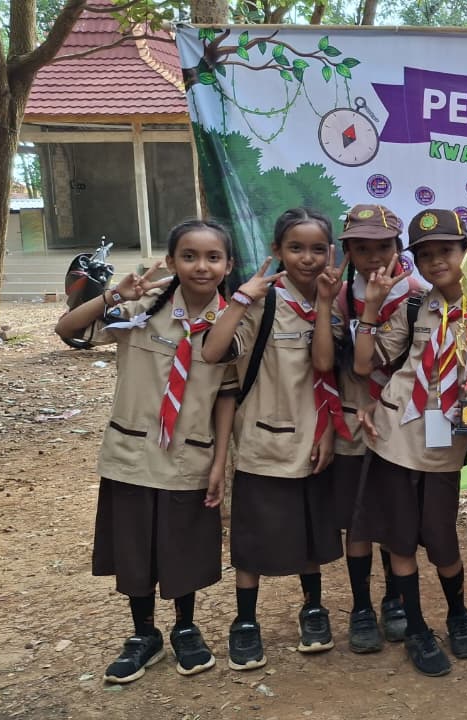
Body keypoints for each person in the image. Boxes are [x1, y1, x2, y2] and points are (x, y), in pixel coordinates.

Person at [56, 220, 237, 683]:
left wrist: (221, 462)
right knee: (134, 547)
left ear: (228, 265)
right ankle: (143, 634)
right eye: (189, 256)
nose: (201, 266)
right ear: (172, 261)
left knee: (183, 547)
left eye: (213, 257)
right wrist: (113, 295)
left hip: (189, 456)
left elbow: (226, 396)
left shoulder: (230, 324)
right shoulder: (140, 310)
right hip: (132, 455)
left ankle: (185, 628)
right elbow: (67, 328)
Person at [201, 208, 348, 671]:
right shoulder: (261, 304)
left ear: (330, 252)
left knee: (310, 533)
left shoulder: (332, 303)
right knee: (253, 537)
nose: (307, 258)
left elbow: (325, 369)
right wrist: (242, 298)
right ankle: (245, 621)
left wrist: (324, 304)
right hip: (263, 442)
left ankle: (313, 609)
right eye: (295, 248)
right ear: (276, 250)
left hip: (314, 440)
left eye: (317, 249)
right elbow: (213, 352)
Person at [346, 209, 467, 678]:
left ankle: (458, 613)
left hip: (443, 442)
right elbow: (365, 365)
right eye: (425, 255)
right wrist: (370, 310)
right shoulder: (415, 306)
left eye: (446, 250)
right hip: (395, 435)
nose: (436, 261)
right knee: (400, 539)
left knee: (442, 542)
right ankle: (418, 629)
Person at [310, 204, 425, 652]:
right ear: (348, 252)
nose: (373, 256)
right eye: (361, 248)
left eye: (383, 246)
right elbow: (325, 362)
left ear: (398, 247)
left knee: (392, 518)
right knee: (356, 523)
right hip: (351, 424)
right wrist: (325, 304)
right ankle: (361, 606)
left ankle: (394, 599)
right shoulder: (340, 296)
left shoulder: (416, 297)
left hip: (396, 425)